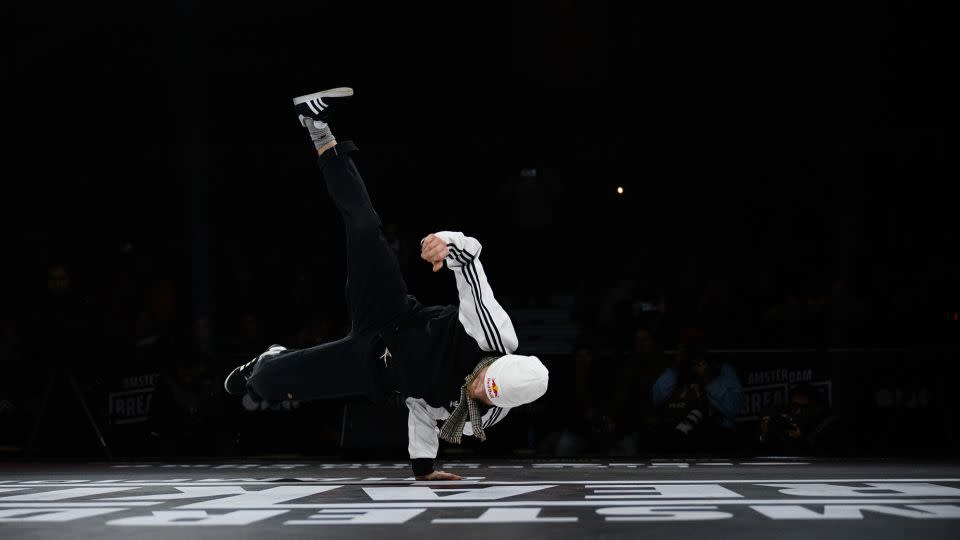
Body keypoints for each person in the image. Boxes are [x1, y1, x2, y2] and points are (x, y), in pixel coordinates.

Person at [223, 87, 549, 480]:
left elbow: (423, 410)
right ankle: (318, 127)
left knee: (268, 382)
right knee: (364, 227)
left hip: (372, 369)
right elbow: (471, 266)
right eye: (485, 379)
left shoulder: (482, 415)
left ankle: (265, 361)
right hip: (392, 311)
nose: (478, 387)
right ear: (499, 362)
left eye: (485, 393)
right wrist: (448, 243)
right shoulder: (493, 333)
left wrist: (424, 469)